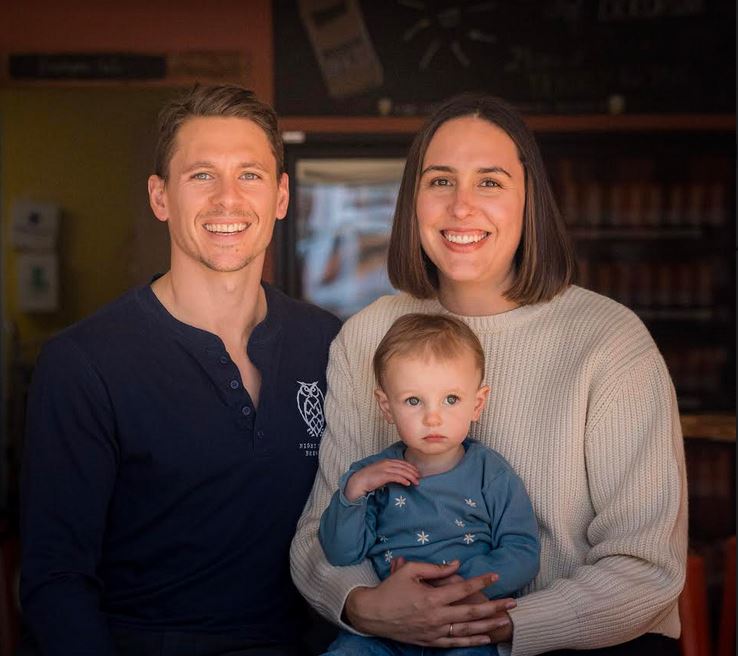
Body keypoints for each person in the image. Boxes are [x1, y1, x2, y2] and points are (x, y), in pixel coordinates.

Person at [290, 92, 687, 655]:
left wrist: (498, 624)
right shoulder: (366, 336)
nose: (461, 207)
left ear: (530, 201)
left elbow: (646, 568)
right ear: (413, 201)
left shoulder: (610, 341)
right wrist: (363, 604)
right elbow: (317, 533)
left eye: (491, 182)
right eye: (440, 181)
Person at [20, 84, 341, 656]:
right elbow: (56, 582)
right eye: (201, 176)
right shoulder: (83, 363)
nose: (227, 199)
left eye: (249, 175)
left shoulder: (330, 343)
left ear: (281, 196)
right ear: (160, 196)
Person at [319, 313, 539, 656]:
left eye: (451, 399)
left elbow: (522, 553)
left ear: (477, 404)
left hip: (461, 625)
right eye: (413, 401)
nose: (432, 417)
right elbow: (340, 552)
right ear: (386, 406)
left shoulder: (490, 473)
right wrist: (352, 493)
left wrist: (460, 584)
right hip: (387, 628)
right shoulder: (372, 476)